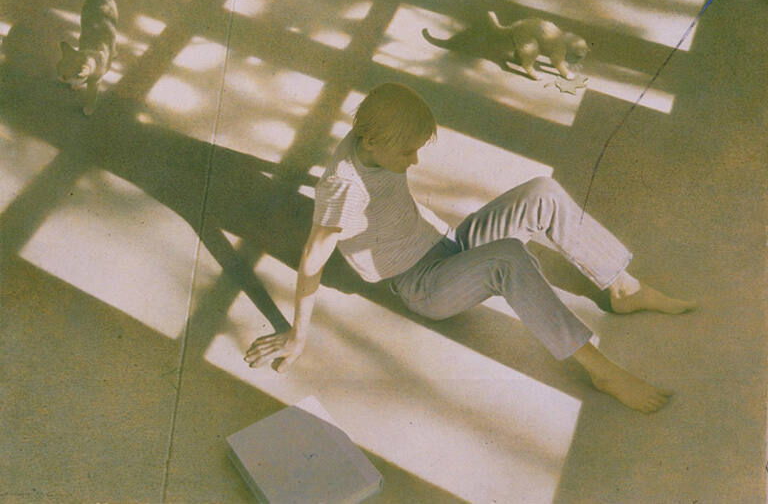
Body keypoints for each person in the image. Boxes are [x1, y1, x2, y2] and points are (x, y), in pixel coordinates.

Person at [245, 83, 695, 413]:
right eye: (408, 153)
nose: (415, 161)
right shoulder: (344, 188)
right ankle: (599, 368)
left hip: (448, 242)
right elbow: (312, 258)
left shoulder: (371, 134)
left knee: (542, 189)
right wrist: (297, 334)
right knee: (508, 259)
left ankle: (623, 288)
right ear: (371, 141)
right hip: (422, 283)